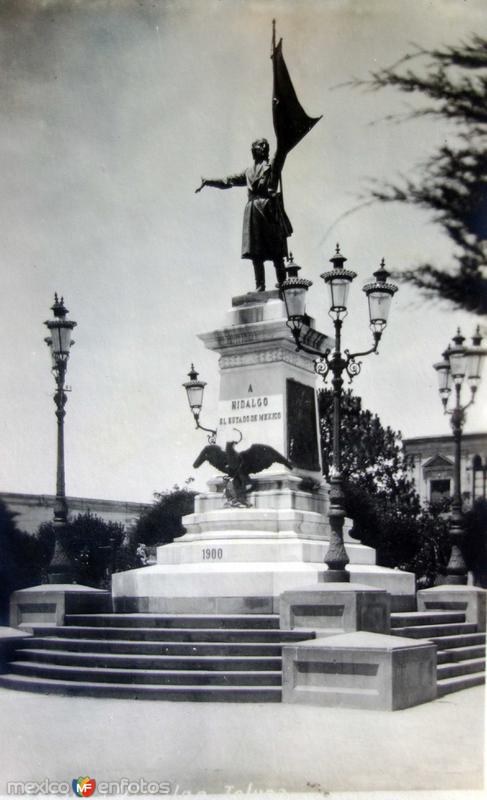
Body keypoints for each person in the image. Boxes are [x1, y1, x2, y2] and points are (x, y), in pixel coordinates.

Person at [195, 138, 292, 291]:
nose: (264, 146)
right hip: (253, 210)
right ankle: (260, 286)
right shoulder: (248, 172)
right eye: (260, 144)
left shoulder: (273, 165)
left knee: (276, 250)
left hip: (268, 209)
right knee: (256, 251)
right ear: (254, 150)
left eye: (265, 144)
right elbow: (227, 181)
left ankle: (283, 283)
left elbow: (281, 152)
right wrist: (209, 181)